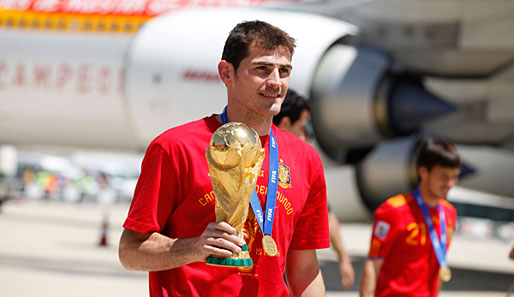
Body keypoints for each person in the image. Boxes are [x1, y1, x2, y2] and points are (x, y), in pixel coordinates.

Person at [118, 21, 330, 297]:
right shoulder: (175, 147)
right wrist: (194, 247)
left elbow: (304, 268)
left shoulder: (305, 158)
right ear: (226, 73)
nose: (276, 82)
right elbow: (130, 250)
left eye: (284, 71)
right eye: (262, 69)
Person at [274, 89, 355, 289]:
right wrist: (344, 258)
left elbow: (327, 216)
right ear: (285, 124)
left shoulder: (301, 164)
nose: (306, 136)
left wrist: (344, 258)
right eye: (303, 127)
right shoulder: (294, 165)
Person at [359, 137, 461, 297]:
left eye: (455, 176)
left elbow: (439, 265)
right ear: (423, 171)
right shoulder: (392, 210)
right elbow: (373, 263)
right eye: (443, 176)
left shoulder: (449, 214)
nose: (450, 183)